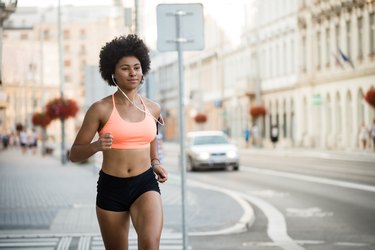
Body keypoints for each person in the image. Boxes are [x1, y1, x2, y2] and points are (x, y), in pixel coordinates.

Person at [69, 34, 168, 250]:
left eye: (137, 67)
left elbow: (151, 138)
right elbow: (74, 154)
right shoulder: (100, 109)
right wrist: (96, 146)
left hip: (145, 185)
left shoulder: (153, 108)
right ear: (112, 73)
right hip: (112, 188)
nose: (132, 72)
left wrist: (155, 162)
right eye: (125, 68)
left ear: (143, 70)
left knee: (151, 244)